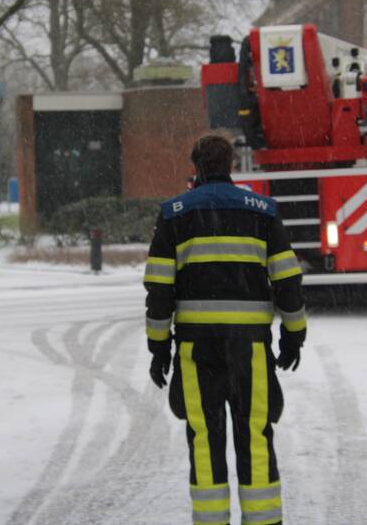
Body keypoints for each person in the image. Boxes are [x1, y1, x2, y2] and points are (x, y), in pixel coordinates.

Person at [143, 134, 306, 525]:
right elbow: (287, 279)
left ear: (195, 167)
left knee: (204, 439)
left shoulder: (174, 213)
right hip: (250, 349)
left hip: (197, 351)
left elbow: (159, 288)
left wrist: (159, 348)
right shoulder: (263, 211)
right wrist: (293, 334)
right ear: (232, 165)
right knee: (255, 436)